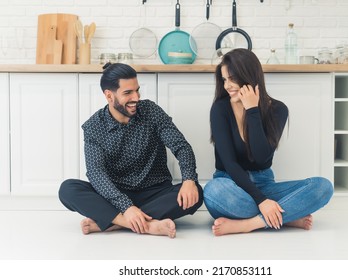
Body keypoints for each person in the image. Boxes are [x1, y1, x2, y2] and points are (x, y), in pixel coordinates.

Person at [59, 63, 203, 238]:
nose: (136, 97)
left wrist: (189, 179)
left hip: (155, 192)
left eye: (137, 90)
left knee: (196, 194)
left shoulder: (151, 111)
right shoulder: (94, 126)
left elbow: (180, 146)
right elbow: (96, 173)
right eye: (128, 93)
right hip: (115, 195)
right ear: (109, 96)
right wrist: (126, 206)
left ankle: (113, 222)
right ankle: (144, 225)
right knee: (68, 189)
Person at [204, 48, 333, 236]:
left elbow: (261, 158)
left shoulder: (279, 110)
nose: (227, 86)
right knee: (212, 191)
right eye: (224, 80)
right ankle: (285, 216)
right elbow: (230, 164)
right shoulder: (220, 109)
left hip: (265, 184)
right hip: (230, 184)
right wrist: (262, 201)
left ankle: (250, 224)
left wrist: (252, 110)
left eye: (232, 79)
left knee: (323, 187)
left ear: (249, 76)